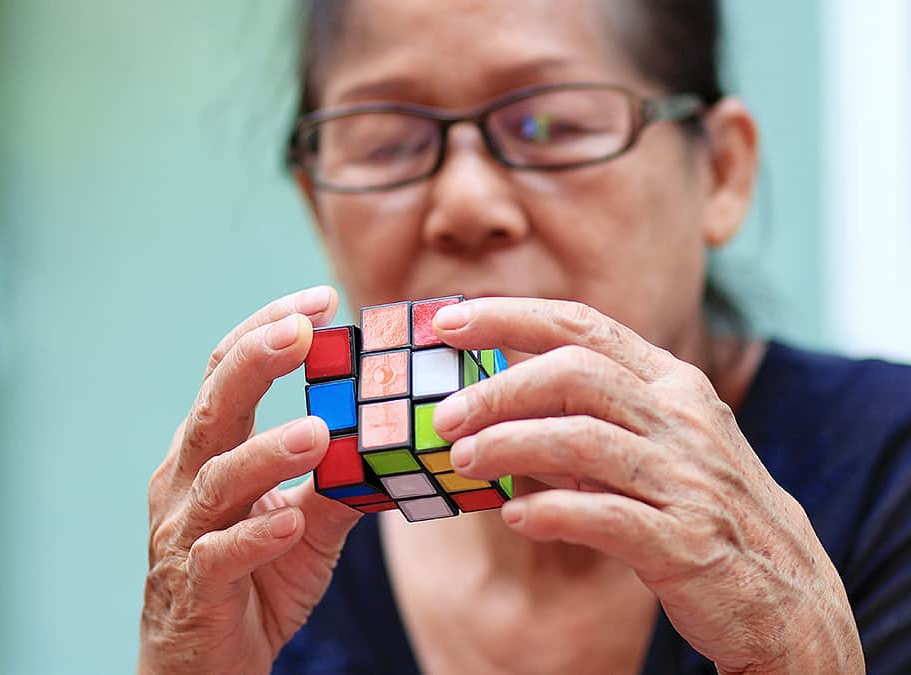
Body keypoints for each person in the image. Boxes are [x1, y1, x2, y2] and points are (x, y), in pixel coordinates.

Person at [140, 1, 911, 672]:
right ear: (317, 203)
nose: (465, 202)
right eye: (386, 142)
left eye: (548, 124)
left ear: (721, 173)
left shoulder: (890, 471)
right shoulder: (264, 582)